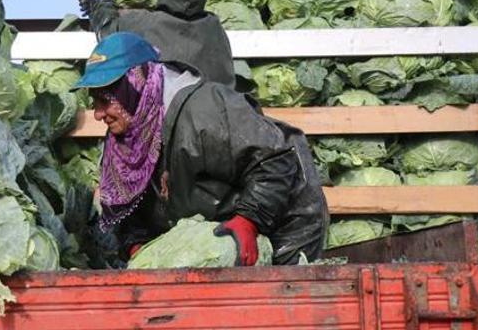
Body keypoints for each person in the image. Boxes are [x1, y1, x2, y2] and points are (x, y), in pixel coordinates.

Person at [72, 32, 328, 266]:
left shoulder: (204, 111)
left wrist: (249, 221)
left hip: (284, 229)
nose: (97, 114)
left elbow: (276, 158)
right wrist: (137, 245)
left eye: (106, 101)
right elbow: (128, 204)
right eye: (94, 102)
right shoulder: (129, 139)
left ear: (135, 86)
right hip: (214, 240)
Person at [79, 0, 236, 89]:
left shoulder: (144, 23)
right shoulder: (215, 29)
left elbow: (108, 35)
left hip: (169, 118)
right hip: (217, 115)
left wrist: (101, 8)